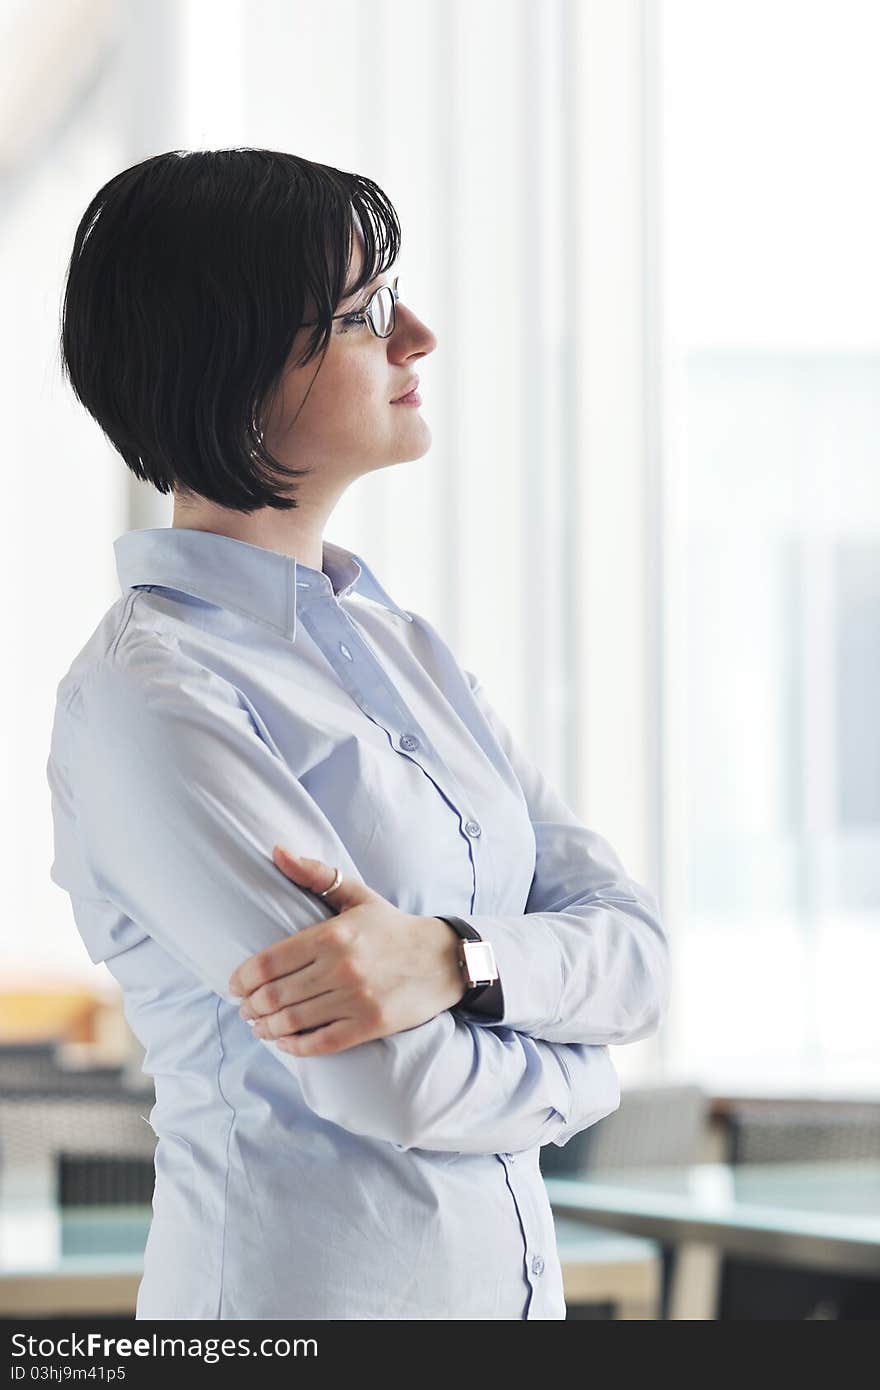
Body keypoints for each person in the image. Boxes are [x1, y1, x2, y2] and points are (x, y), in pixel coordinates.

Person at [47, 147, 669, 1320]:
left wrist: (453, 960)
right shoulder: (152, 697)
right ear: (230, 371)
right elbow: (393, 1084)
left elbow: (636, 953)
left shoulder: (409, 652)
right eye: (363, 313)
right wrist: (584, 1067)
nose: (417, 335)